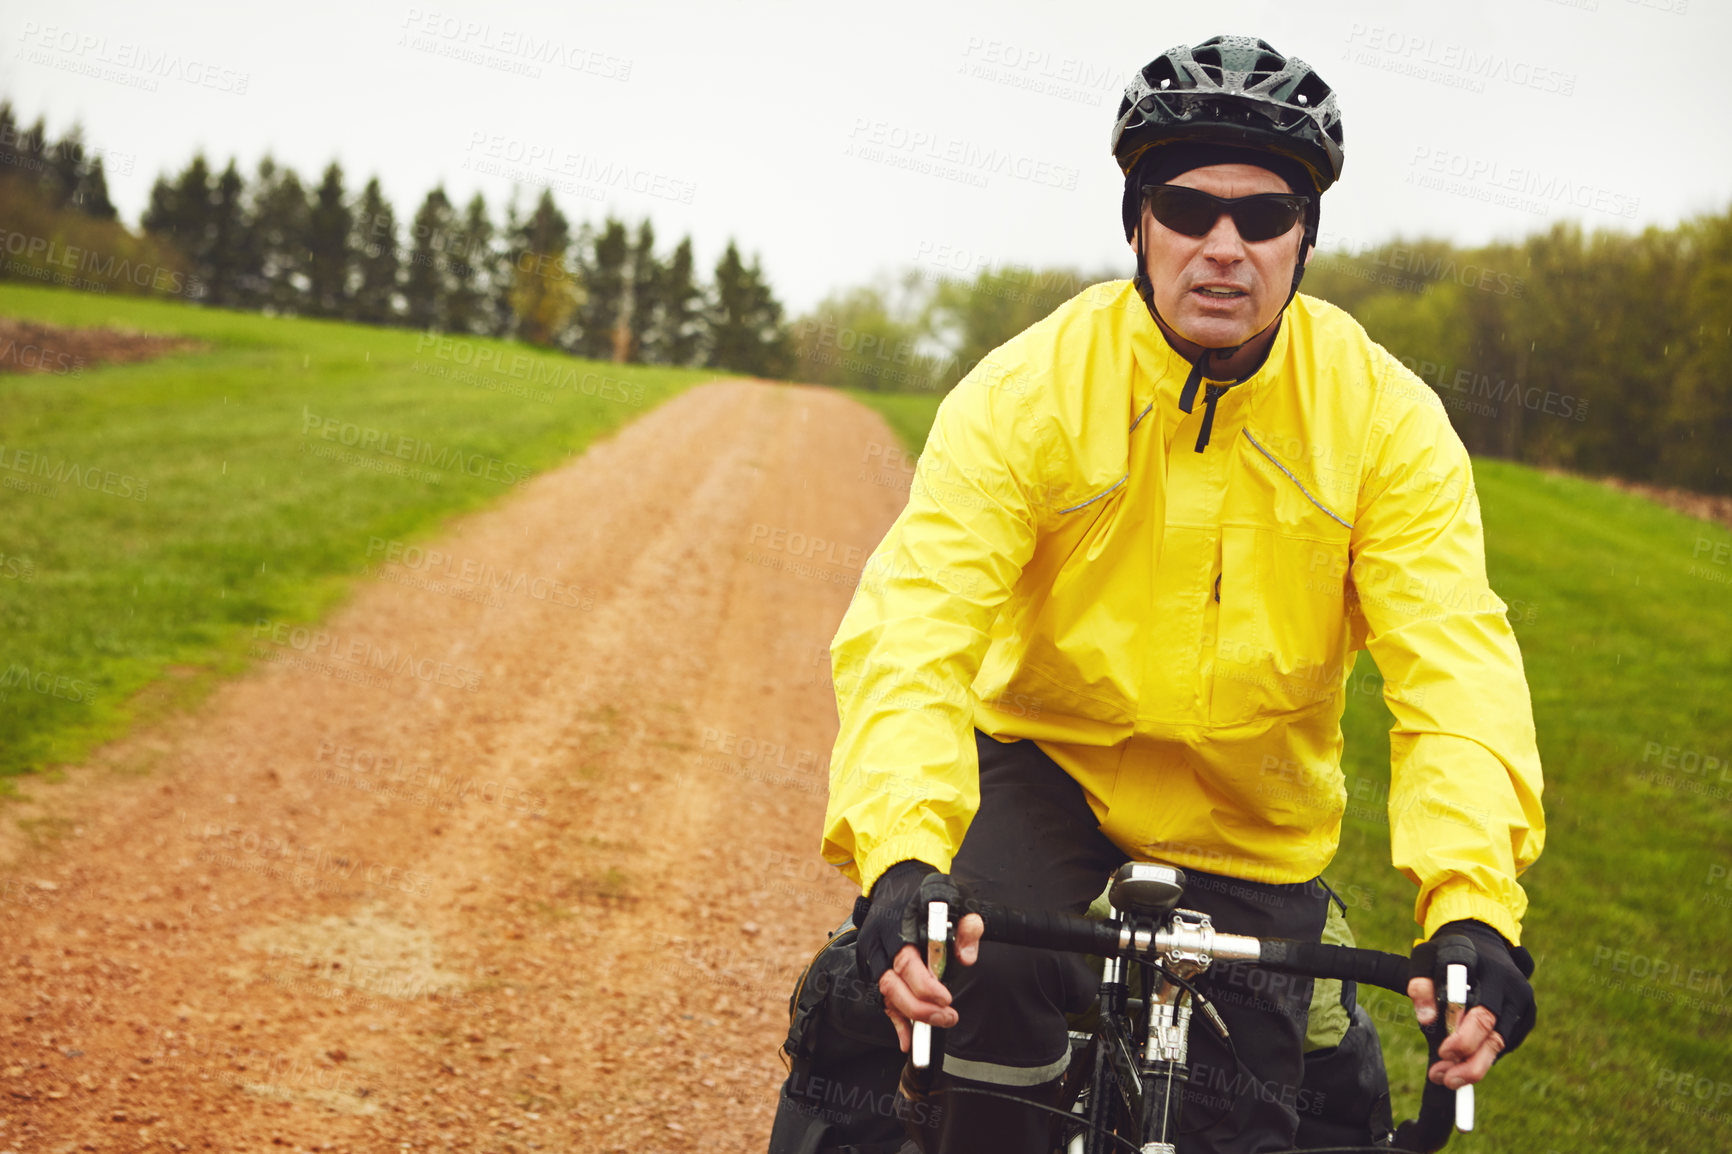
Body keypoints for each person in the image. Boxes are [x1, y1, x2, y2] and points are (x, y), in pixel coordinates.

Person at [821, 34, 1544, 1154]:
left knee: (1243, 1124)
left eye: (1262, 218)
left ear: (1306, 237)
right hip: (1044, 762)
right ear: (1134, 221)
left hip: (1252, 817)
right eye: (1186, 208)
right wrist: (906, 856)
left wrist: (1471, 906)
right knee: (978, 983)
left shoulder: (1385, 422)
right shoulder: (1029, 391)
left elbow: (1454, 670)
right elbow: (916, 625)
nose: (1223, 248)